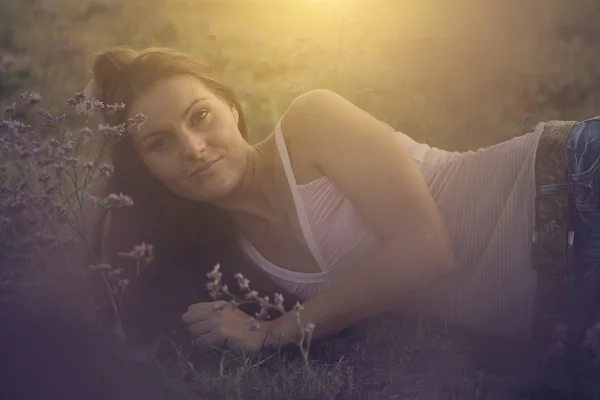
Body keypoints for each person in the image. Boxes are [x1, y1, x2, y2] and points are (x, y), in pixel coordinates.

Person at [77, 47, 599, 396]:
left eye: (200, 116)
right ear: (144, 168)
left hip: (573, 183)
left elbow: (426, 250)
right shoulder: (235, 263)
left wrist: (271, 333)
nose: (193, 148)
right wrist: (117, 181)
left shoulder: (310, 125)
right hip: (569, 309)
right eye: (159, 144)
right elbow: (109, 274)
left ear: (232, 108)